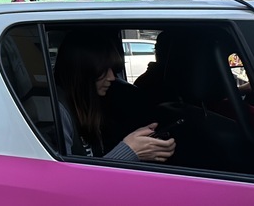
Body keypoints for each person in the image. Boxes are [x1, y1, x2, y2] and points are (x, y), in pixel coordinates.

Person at [54, 32, 176, 161]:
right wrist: (131, 151)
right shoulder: (59, 111)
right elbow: (65, 180)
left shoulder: (87, 105)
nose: (112, 77)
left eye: (112, 69)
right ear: (83, 70)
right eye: (104, 69)